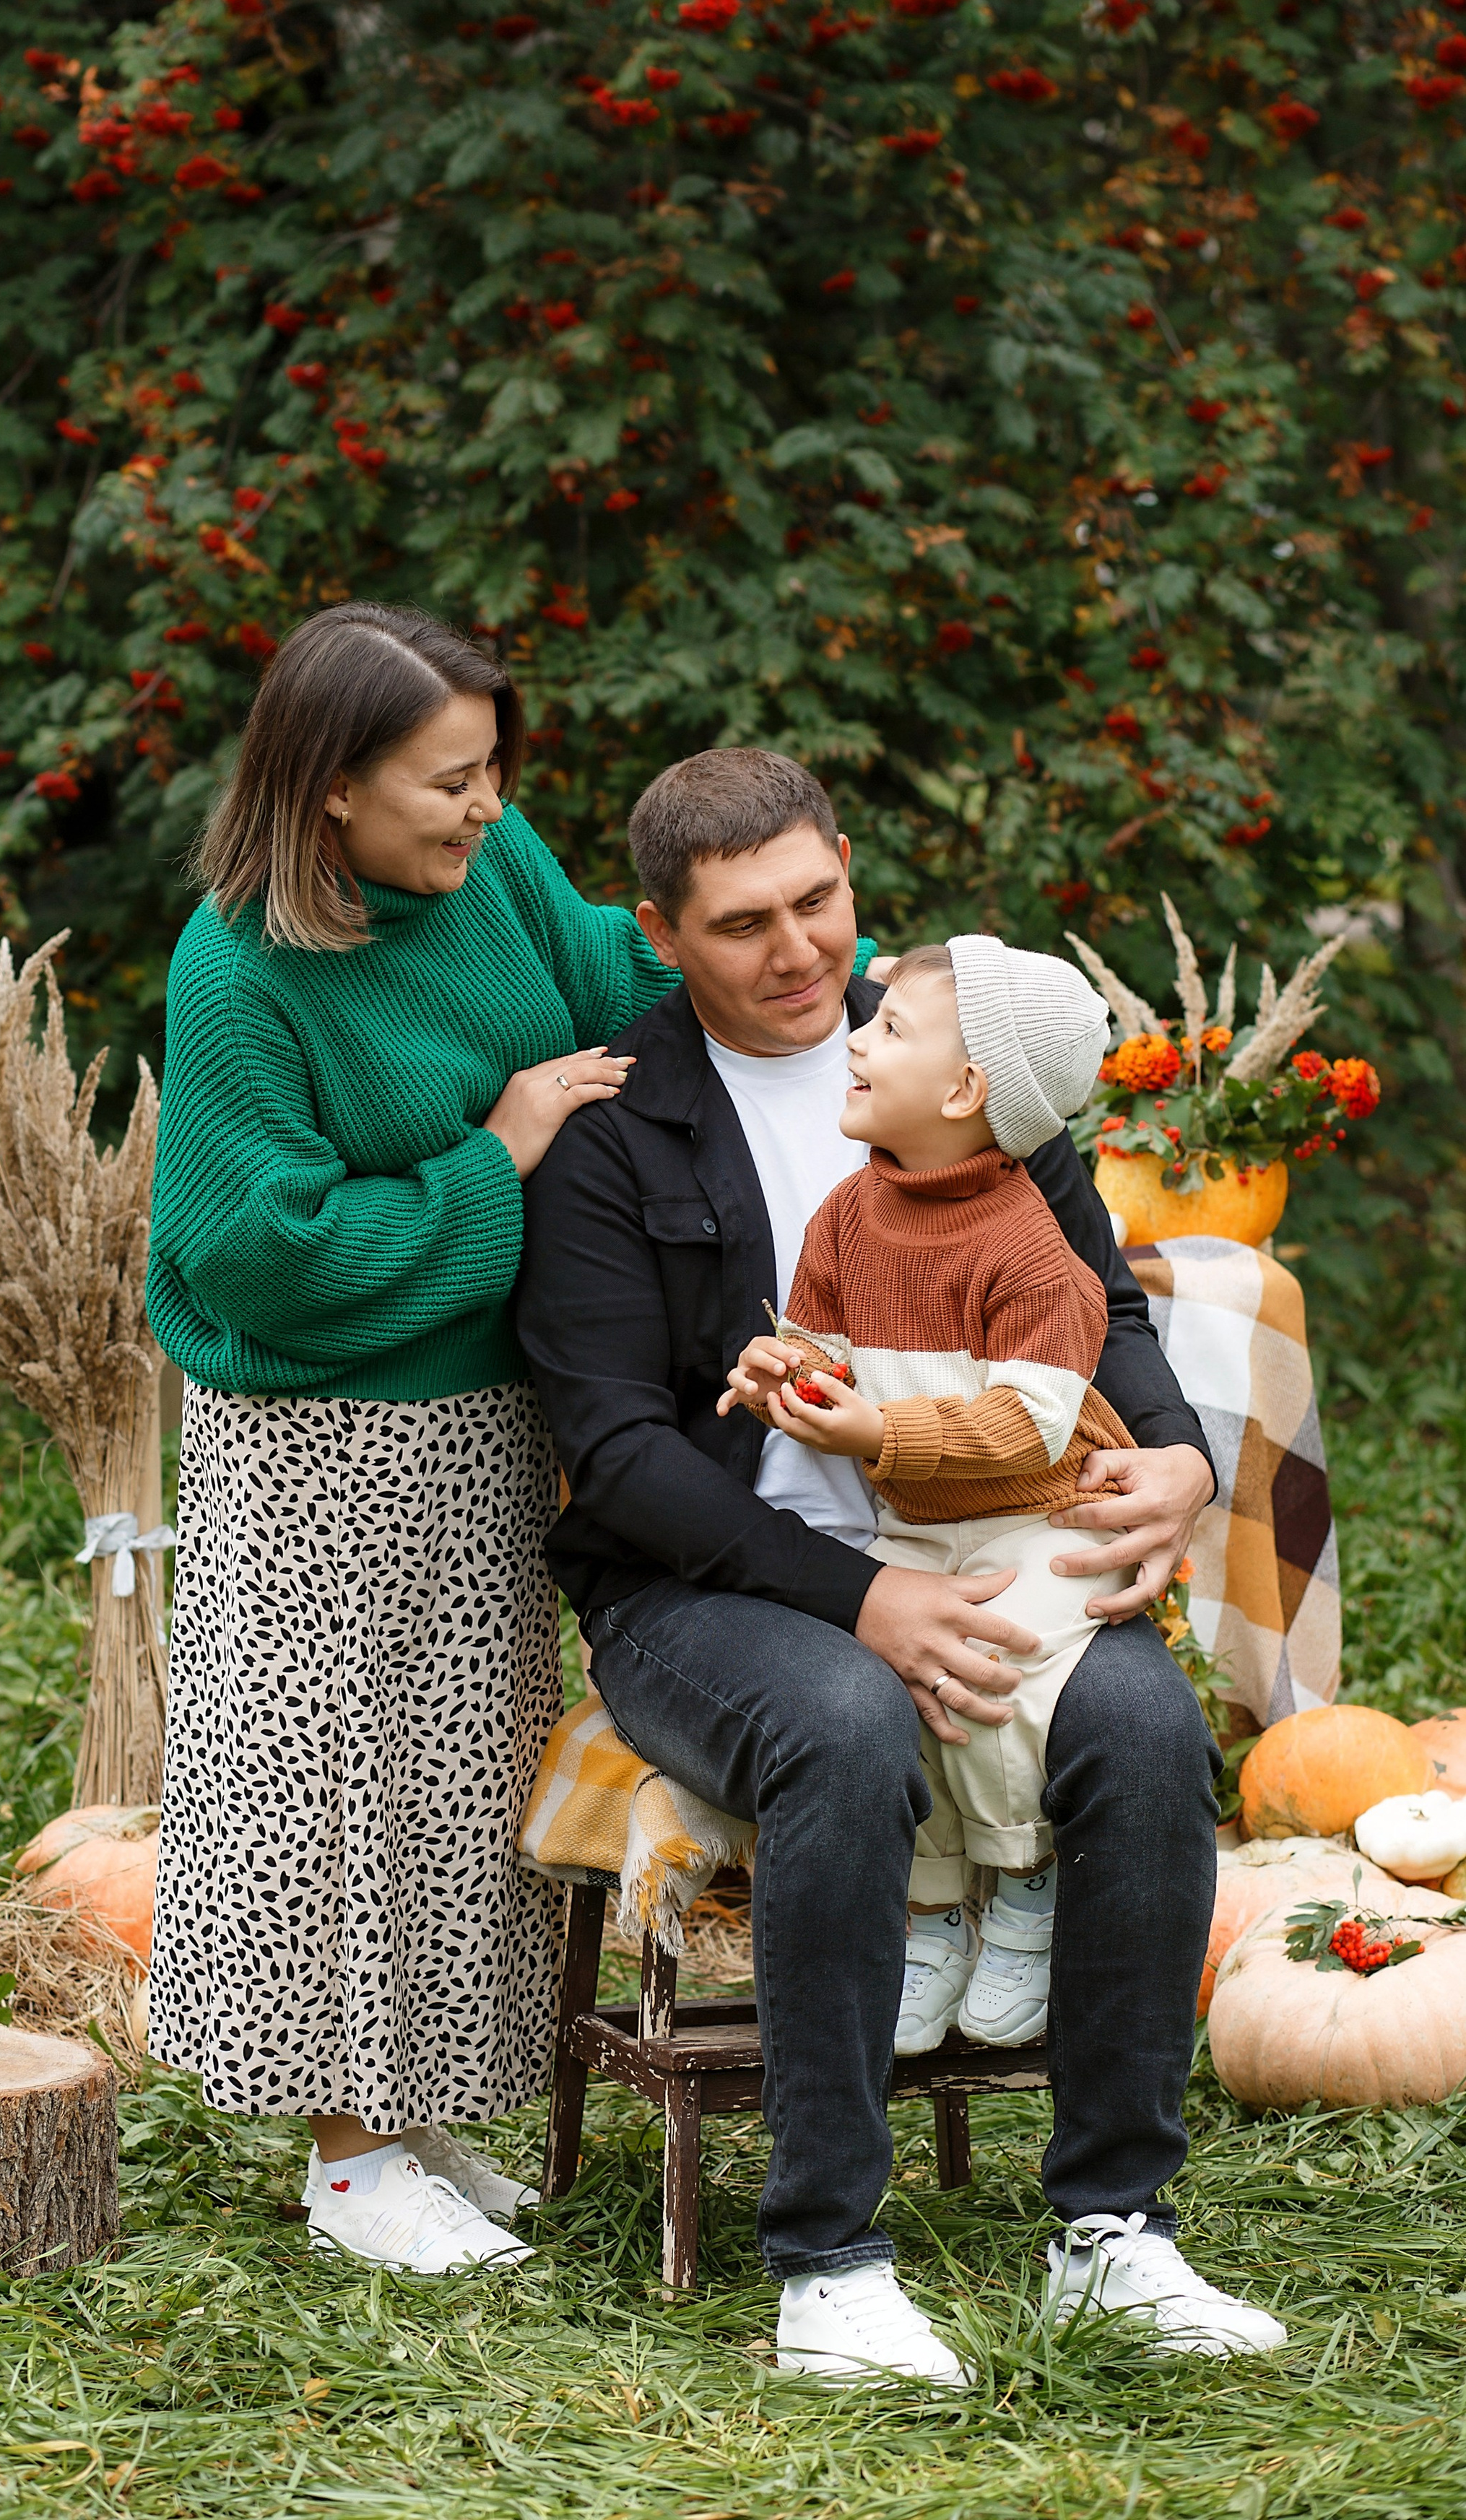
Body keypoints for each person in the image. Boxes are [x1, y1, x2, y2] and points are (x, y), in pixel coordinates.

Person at [516, 746, 1286, 2383]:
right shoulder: (614, 1133)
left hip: (982, 1543)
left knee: (1146, 1734)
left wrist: (1173, 1458)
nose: (798, 955)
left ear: (848, 870)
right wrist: (858, 1599)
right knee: (845, 1723)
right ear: (661, 933)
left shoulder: (961, 1059)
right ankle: (827, 2265)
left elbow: (1108, 1312)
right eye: (740, 927)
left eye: (817, 902)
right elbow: (622, 1451)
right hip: (701, 1594)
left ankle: (1113, 2232)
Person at [144, 601, 673, 2277]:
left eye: (491, 766)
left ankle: (419, 2114)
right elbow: (255, 1247)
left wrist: (806, 971)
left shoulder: (487, 868)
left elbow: (615, 974)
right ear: (327, 792)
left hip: (484, 1418)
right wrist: (498, 1154)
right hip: (319, 1438)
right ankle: (345, 2155)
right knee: (326, 1781)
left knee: (459, 1774)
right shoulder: (237, 967)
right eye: (447, 779)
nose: (486, 805)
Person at [719, 935, 1136, 2058]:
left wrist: (875, 1429)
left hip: (1040, 1517)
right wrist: (782, 1372)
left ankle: (1029, 1881)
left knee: (998, 1684)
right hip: (919, 1521)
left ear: (965, 1092)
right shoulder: (850, 1217)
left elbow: (1028, 1425)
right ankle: (941, 1907)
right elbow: (820, 1346)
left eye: (890, 1030)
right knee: (910, 1698)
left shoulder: (1034, 1253)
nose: (855, 1038)